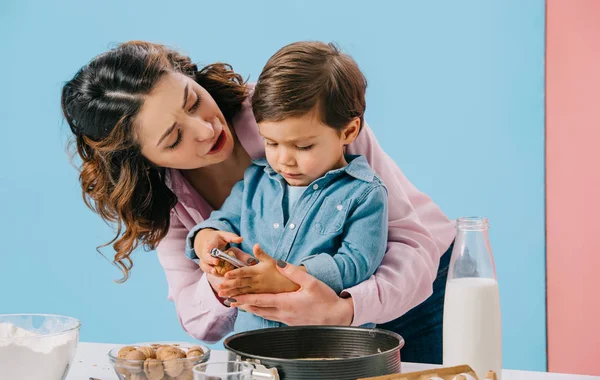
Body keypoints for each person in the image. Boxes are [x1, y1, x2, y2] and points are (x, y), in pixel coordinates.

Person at [60, 40, 455, 363]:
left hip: (420, 290)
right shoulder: (164, 195)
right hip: (315, 336)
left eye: (193, 100)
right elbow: (199, 322)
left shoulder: (295, 112)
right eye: (174, 138)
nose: (205, 128)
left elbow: (410, 243)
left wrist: (344, 310)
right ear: (144, 160)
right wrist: (220, 278)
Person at [185, 41, 389, 333]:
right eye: (271, 143)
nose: (284, 159)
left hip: (326, 345)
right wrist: (206, 239)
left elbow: (357, 261)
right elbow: (223, 221)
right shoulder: (256, 181)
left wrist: (291, 277)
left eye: (303, 146)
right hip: (252, 340)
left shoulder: (364, 193)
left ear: (348, 131)